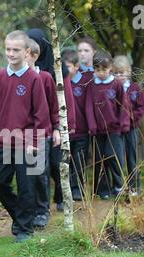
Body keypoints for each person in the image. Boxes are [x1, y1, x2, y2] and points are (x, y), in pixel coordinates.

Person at [0, 30, 54, 242]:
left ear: (26, 52)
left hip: (27, 144)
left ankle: (25, 230)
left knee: (27, 186)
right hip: (4, 140)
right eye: (8, 49)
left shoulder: (34, 78)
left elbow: (41, 114)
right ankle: (22, 215)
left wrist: (35, 142)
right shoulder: (0, 77)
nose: (11, 54)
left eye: (16, 50)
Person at [27, 28, 76, 214]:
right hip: (38, 125)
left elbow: (67, 97)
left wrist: (67, 125)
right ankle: (42, 205)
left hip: (58, 122)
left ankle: (62, 196)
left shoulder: (56, 68)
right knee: (40, 167)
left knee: (57, 163)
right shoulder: (25, 68)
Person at [25, 38, 60, 228]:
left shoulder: (45, 77)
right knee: (24, 175)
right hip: (18, 134)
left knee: (39, 172)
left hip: (41, 133)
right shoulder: (14, 77)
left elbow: (54, 106)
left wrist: (56, 128)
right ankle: (27, 210)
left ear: (33, 55)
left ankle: (42, 210)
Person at [86, 50, 129, 199]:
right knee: (100, 159)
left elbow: (123, 105)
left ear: (110, 67)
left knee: (113, 156)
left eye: (104, 69)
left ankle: (119, 185)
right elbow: (89, 106)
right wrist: (92, 125)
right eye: (97, 69)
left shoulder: (116, 84)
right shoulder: (92, 85)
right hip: (97, 131)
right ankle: (102, 190)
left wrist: (123, 123)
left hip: (114, 129)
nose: (101, 73)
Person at [62, 49, 93, 201]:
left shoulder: (85, 82)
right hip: (65, 132)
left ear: (76, 66)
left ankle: (77, 189)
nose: (64, 69)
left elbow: (89, 107)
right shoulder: (59, 83)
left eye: (67, 66)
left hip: (82, 132)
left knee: (79, 162)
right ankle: (65, 190)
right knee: (65, 161)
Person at [113, 55, 144, 195]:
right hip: (117, 130)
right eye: (116, 73)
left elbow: (141, 108)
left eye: (122, 72)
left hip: (132, 129)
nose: (119, 76)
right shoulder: (112, 89)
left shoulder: (135, 88)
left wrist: (131, 118)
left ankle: (134, 187)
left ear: (129, 71)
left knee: (132, 157)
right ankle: (118, 186)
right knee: (118, 158)